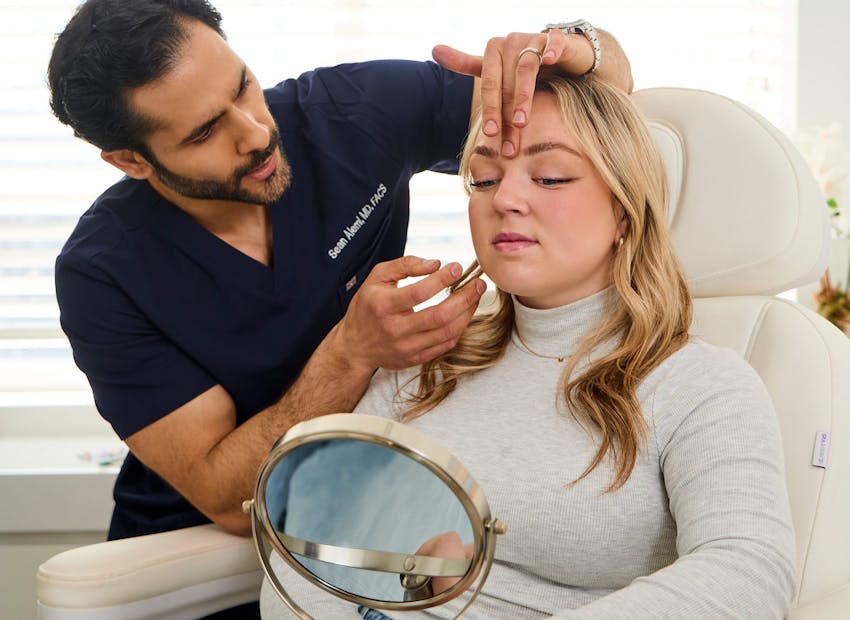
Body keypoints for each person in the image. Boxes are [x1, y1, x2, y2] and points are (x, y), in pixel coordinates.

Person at [47, 0, 634, 544]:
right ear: (130, 160)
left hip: (359, 514)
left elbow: (600, 104)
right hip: (192, 552)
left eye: (243, 87)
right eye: (204, 131)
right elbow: (227, 498)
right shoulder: (103, 274)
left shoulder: (351, 113)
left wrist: (574, 47)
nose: (254, 132)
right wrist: (352, 352)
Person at [260, 74, 797, 618]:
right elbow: (307, 542)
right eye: (484, 178)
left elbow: (748, 569)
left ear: (624, 212)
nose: (506, 199)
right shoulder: (423, 364)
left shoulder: (699, 385)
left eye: (550, 176)